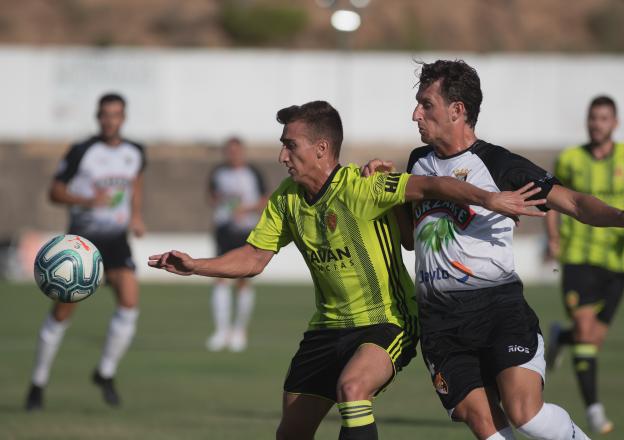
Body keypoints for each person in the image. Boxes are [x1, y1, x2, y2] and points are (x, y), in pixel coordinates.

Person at [149, 100, 546, 440]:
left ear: (321, 148)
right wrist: (195, 265)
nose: (282, 156)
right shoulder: (287, 199)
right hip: (327, 328)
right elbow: (254, 257)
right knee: (291, 432)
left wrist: (490, 198)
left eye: (290, 146)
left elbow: (432, 187)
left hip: (386, 321)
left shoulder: (362, 186)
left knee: (352, 388)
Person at [363, 60, 624, 440]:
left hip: (497, 310)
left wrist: (622, 217)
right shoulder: (417, 163)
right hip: (440, 322)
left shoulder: (500, 165)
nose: (415, 114)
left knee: (526, 414)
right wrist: (385, 192)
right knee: (484, 424)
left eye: (426, 104)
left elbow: (573, 203)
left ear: (458, 110)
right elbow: (409, 239)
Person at [544, 95, 624, 434]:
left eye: (604, 118)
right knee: (585, 332)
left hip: (616, 262)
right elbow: (551, 199)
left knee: (591, 340)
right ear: (587, 121)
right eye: (593, 118)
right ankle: (594, 410)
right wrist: (553, 239)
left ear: (615, 123)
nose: (597, 124)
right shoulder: (569, 159)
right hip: (578, 257)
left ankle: (560, 338)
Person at [25, 93, 146, 410]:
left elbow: (135, 184)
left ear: (124, 117)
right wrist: (85, 201)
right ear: (98, 117)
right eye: (105, 114)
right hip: (81, 245)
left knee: (130, 303)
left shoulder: (135, 152)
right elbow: (54, 191)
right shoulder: (82, 151)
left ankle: (105, 372)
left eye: (116, 114)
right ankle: (38, 381)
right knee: (62, 313)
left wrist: (136, 216)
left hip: (117, 240)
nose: (110, 120)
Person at [206, 136, 268, 352]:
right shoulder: (218, 173)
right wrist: (222, 203)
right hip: (224, 230)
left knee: (243, 280)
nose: (233, 155)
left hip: (246, 232)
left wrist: (246, 209)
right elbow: (212, 197)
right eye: (229, 151)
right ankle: (221, 330)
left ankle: (239, 330)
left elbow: (265, 200)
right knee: (220, 278)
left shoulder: (253, 173)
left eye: (236, 151)